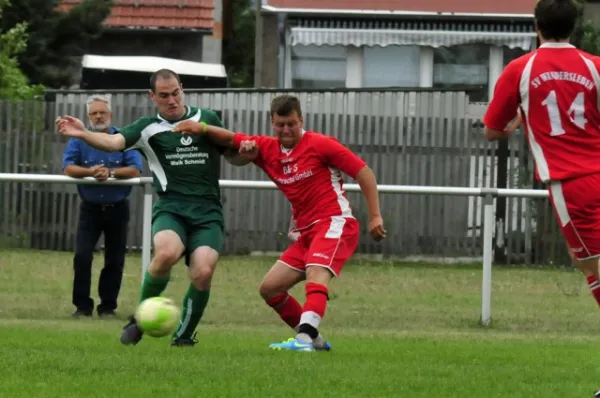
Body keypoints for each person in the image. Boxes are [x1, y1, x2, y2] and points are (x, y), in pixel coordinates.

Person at [172, 94, 386, 352]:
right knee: (270, 289)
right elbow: (230, 139)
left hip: (334, 223)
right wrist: (202, 128)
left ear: (301, 120)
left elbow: (363, 171)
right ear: (272, 123)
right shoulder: (267, 148)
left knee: (316, 273)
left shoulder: (320, 144)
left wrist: (375, 215)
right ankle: (314, 341)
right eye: (280, 124)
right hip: (306, 232)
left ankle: (304, 340)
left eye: (292, 124)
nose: (286, 130)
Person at [56, 69, 245, 347]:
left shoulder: (207, 119)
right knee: (166, 253)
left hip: (207, 212)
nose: (172, 100)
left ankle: (184, 336)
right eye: (164, 96)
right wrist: (83, 134)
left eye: (176, 93)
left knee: (203, 272)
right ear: (152, 97)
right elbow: (114, 142)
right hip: (172, 208)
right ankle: (138, 320)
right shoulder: (147, 127)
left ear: (182, 88)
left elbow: (233, 156)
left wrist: (247, 153)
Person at [483, 0, 600, 310]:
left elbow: (492, 130)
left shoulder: (520, 69)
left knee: (591, 263)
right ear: (574, 27)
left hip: (571, 183)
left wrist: (516, 124)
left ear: (537, 27)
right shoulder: (595, 66)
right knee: (584, 260)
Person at [62, 94, 144, 318]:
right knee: (82, 256)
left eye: (102, 112)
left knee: (114, 260)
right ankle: (82, 307)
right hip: (90, 208)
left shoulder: (124, 138)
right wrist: (91, 172)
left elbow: (135, 169)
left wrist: (111, 173)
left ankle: (108, 307)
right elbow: (68, 167)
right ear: (88, 117)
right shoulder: (79, 139)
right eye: (94, 113)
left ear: (111, 115)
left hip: (118, 208)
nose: (98, 117)